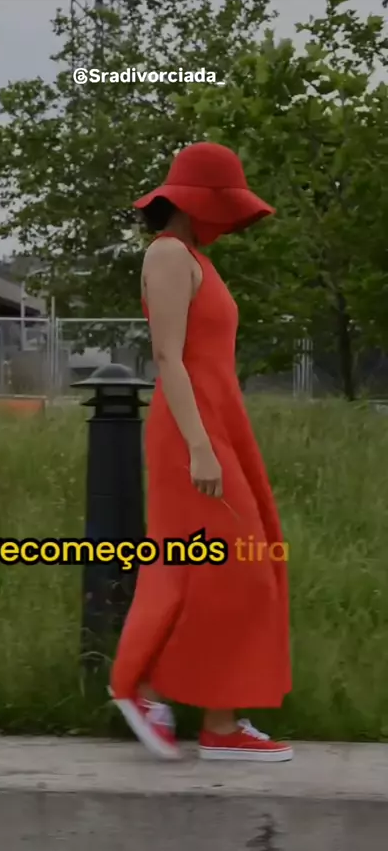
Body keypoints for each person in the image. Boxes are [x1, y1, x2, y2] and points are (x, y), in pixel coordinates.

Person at [109, 142, 292, 762]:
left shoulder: (194, 260)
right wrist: (200, 447)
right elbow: (169, 357)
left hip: (216, 424)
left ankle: (218, 721)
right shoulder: (167, 254)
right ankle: (146, 691)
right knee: (229, 564)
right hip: (192, 432)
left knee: (233, 567)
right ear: (193, 202)